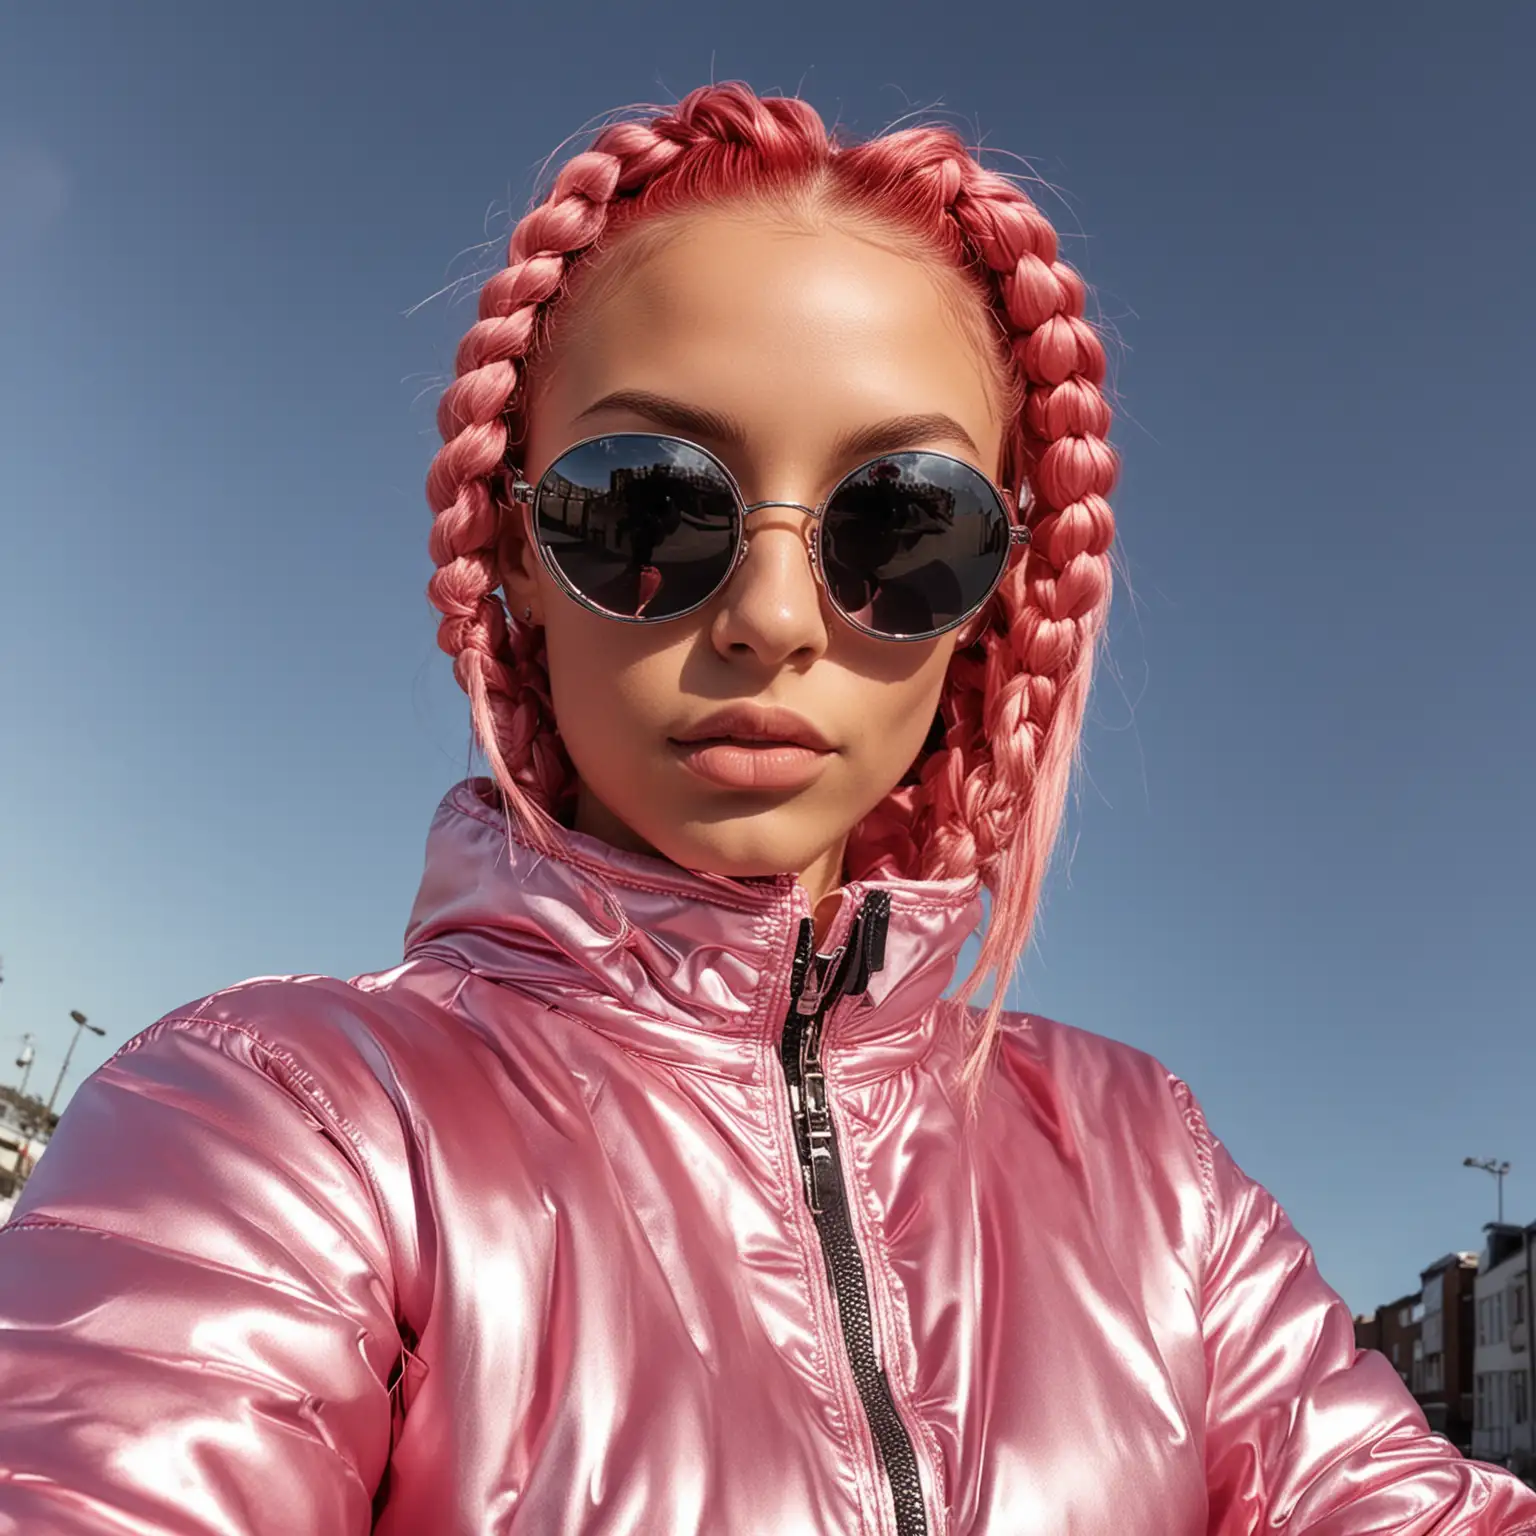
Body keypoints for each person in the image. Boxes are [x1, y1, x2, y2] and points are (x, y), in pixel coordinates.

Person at [0, 82, 1530, 1536]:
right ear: (518, 540)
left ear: (989, 600)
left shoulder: (1156, 1177)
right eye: (651, 508)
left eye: (903, 523)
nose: (775, 618)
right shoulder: (288, 1126)